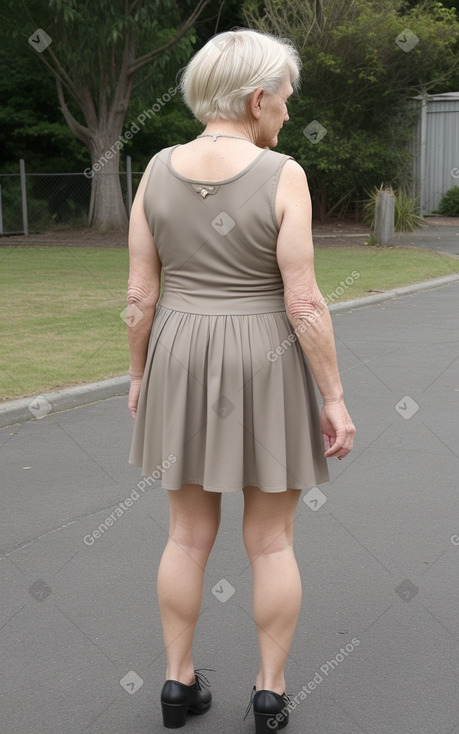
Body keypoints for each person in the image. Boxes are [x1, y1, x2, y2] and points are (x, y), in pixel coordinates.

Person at [126, 28, 355, 732]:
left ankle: (175, 683)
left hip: (179, 354)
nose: (286, 114)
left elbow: (140, 296)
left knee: (186, 536)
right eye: (284, 100)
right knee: (272, 542)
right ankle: (268, 693)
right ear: (258, 99)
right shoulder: (282, 173)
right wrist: (334, 397)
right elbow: (302, 301)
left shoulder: (156, 168)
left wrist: (139, 377)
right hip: (262, 357)